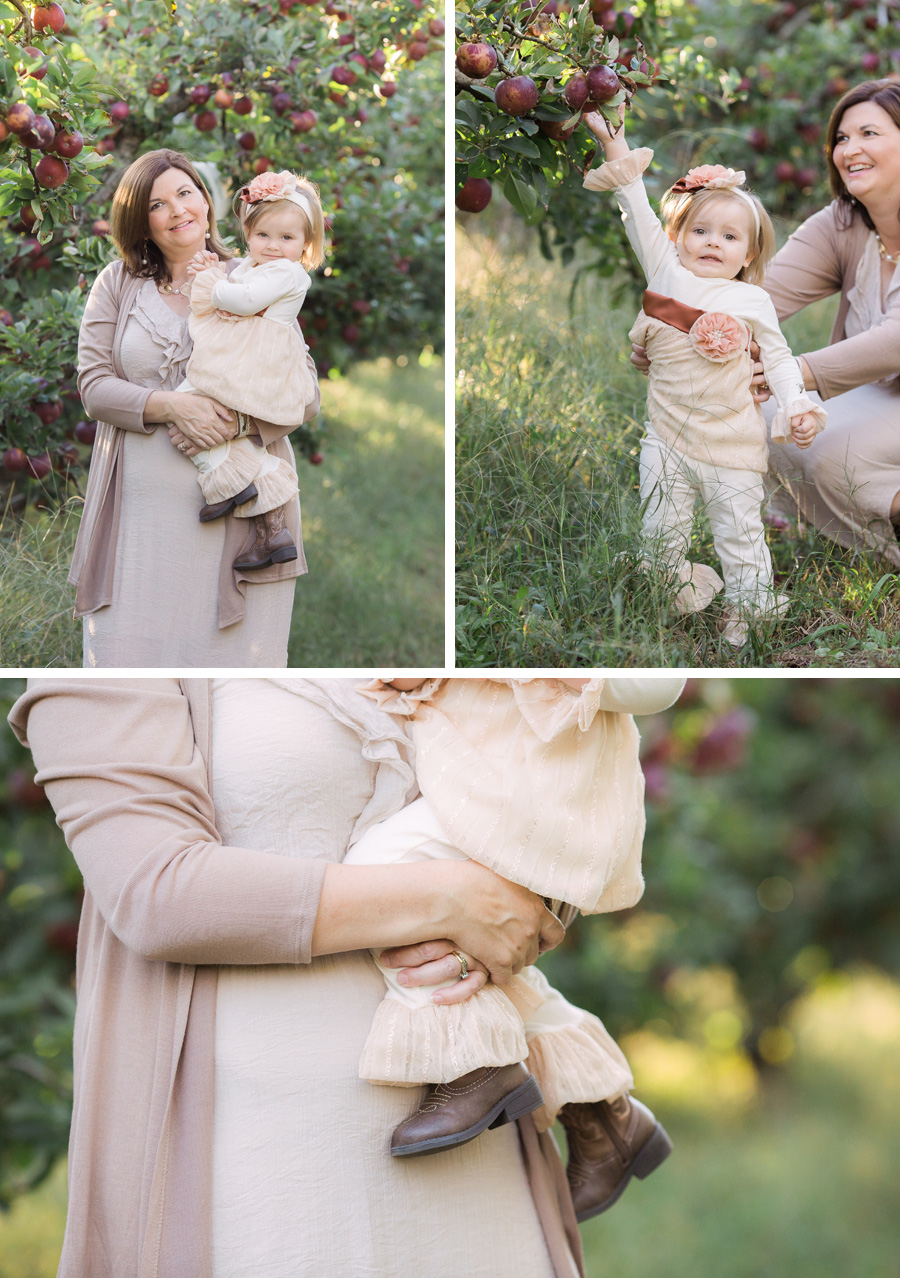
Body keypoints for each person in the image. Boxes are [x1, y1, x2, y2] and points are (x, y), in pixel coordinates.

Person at [8, 677, 588, 1278]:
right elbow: (157, 892)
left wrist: (525, 907)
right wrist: (446, 901)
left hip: (476, 1155)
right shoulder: (118, 658)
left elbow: (543, 805)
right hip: (265, 1172)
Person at [344, 675, 684, 1222]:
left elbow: (661, 685)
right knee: (466, 941)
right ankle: (604, 1115)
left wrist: (562, 670)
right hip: (488, 780)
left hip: (534, 794)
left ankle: (476, 1064)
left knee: (378, 877)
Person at [583, 109, 826, 645]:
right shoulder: (666, 271)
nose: (714, 242)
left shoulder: (752, 299)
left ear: (750, 252)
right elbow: (636, 209)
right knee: (659, 531)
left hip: (731, 445)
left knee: (739, 535)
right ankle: (662, 593)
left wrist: (797, 405)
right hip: (666, 438)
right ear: (677, 236)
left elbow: (780, 358)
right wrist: (614, 140)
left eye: (730, 236)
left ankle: (749, 609)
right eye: (700, 230)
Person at [72, 150, 319, 667]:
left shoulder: (255, 276)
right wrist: (171, 408)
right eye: (158, 203)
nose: (177, 210)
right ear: (141, 220)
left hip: (234, 518)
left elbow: (305, 391)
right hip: (138, 521)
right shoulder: (116, 285)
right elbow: (94, 387)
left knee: (229, 675)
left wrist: (235, 418)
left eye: (185, 193)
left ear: (205, 202)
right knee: (129, 667)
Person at [755, 78, 900, 563]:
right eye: (841, 138)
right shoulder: (844, 222)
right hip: (880, 395)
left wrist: (795, 372)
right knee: (764, 414)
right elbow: (758, 296)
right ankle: (836, 532)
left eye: (869, 134)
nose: (849, 149)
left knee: (836, 451)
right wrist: (678, 326)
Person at [177, 170, 324, 572]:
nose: (273, 246)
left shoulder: (287, 272)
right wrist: (214, 269)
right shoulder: (257, 265)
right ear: (247, 233)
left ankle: (250, 487)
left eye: (287, 238)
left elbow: (241, 301)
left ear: (305, 244)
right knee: (194, 407)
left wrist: (211, 280)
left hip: (256, 359)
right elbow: (232, 280)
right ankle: (259, 521)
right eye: (263, 236)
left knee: (195, 402)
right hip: (244, 351)